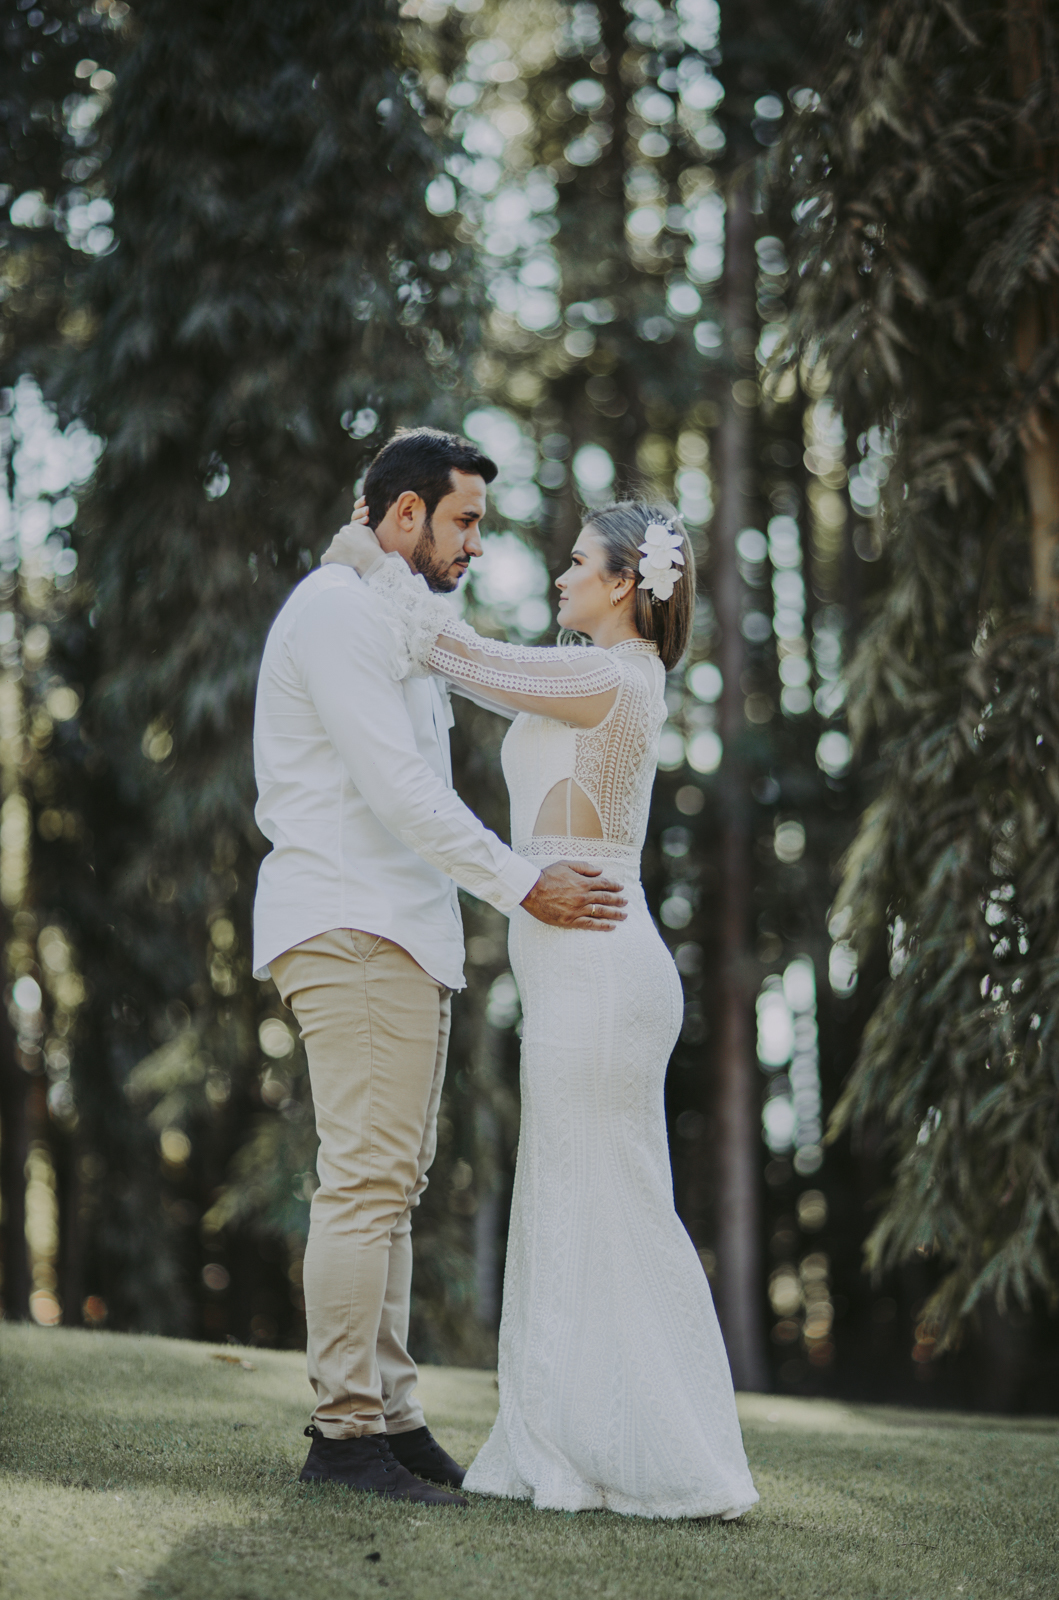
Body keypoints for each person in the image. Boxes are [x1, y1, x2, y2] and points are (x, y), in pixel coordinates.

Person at [327, 496, 759, 1520]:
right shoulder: (603, 675)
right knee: (572, 1198)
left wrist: (372, 555)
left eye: (574, 565)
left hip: (603, 976)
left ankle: (655, 1452)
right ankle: (566, 1440)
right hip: (580, 971)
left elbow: (463, 657)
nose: (558, 578)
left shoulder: (606, 674)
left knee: (606, 1202)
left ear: (620, 585)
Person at [252, 428, 628, 1509]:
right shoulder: (334, 613)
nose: (476, 543)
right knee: (363, 1180)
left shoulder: (406, 623)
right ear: (404, 513)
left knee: (393, 1187)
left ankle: (395, 1413)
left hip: (402, 932)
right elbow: (397, 793)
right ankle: (344, 1431)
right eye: (463, 519)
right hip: (350, 919)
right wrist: (521, 883)